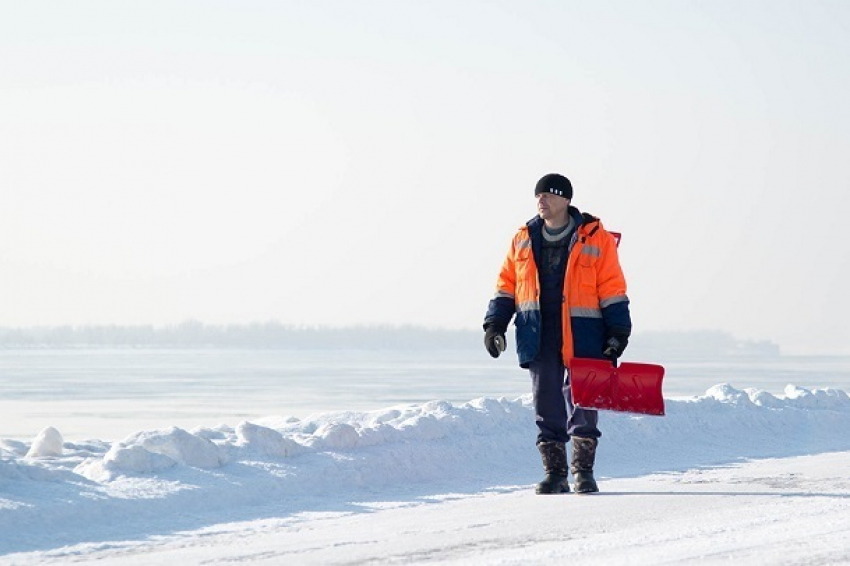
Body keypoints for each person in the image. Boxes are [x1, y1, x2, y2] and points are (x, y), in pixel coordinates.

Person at [483, 173, 631, 494]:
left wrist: (618, 331)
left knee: (584, 400)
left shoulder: (595, 237)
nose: (541, 201)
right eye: (538, 196)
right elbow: (507, 285)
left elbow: (612, 287)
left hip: (585, 330)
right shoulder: (522, 238)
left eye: (548, 195)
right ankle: (555, 474)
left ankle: (583, 472)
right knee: (545, 401)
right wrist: (495, 324)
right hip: (538, 332)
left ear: (565, 200)